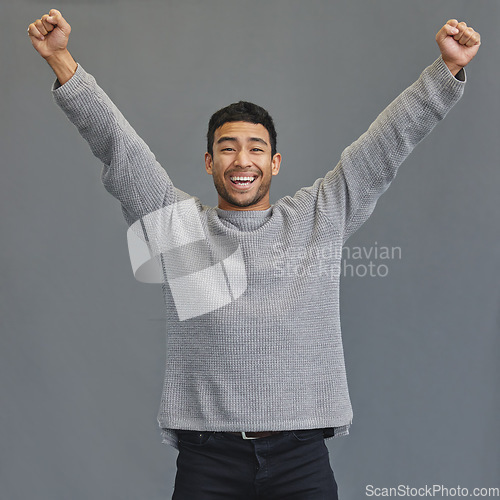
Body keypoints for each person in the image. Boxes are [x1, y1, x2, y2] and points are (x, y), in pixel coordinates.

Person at [28, 10, 481, 499]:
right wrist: (60, 58)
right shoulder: (180, 227)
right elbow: (118, 146)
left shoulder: (319, 216)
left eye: (255, 149)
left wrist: (446, 70)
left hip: (301, 458)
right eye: (227, 148)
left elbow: (386, 145)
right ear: (209, 162)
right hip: (208, 461)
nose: (242, 161)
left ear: (275, 162)